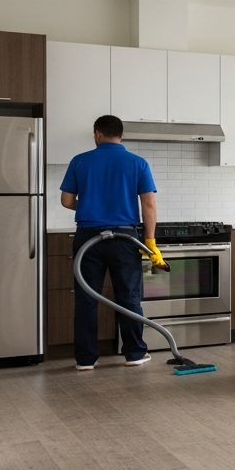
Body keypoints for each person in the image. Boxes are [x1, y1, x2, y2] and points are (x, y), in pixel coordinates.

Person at [59, 115, 169, 371]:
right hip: (125, 238)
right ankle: (134, 353)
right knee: (128, 296)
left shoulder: (80, 161)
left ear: (97, 133)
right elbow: (149, 205)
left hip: (88, 237)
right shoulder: (138, 163)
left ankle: (85, 360)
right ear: (122, 134)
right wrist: (150, 242)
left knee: (87, 297)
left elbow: (66, 201)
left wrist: (87, 207)